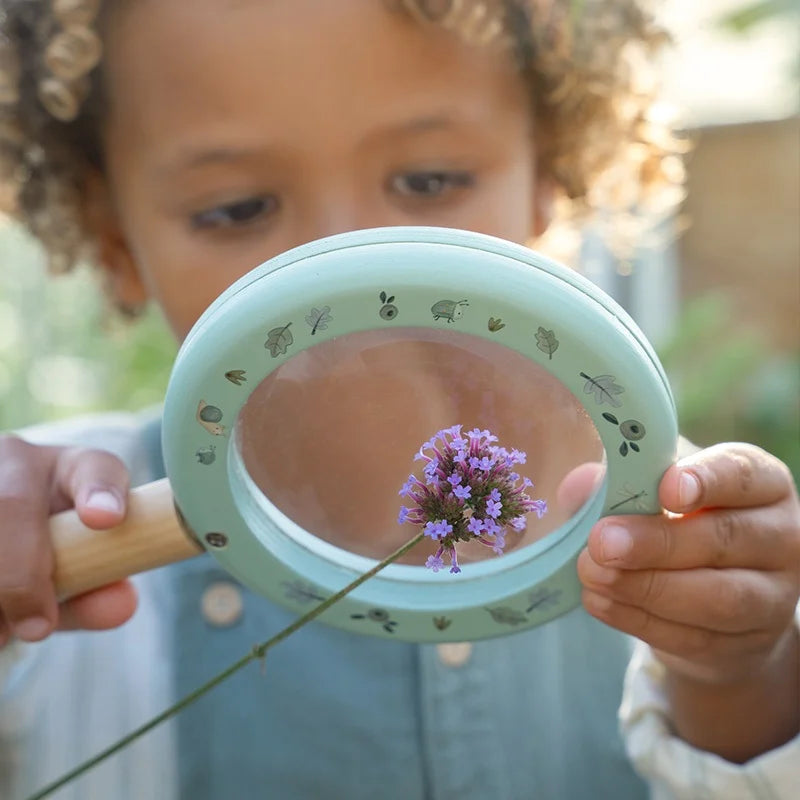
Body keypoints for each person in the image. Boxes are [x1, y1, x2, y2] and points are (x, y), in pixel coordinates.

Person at [0, 1, 797, 798]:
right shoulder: (68, 531)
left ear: (547, 180)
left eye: (429, 180)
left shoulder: (665, 523)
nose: (347, 262)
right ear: (115, 242)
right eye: (238, 209)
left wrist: (735, 673)